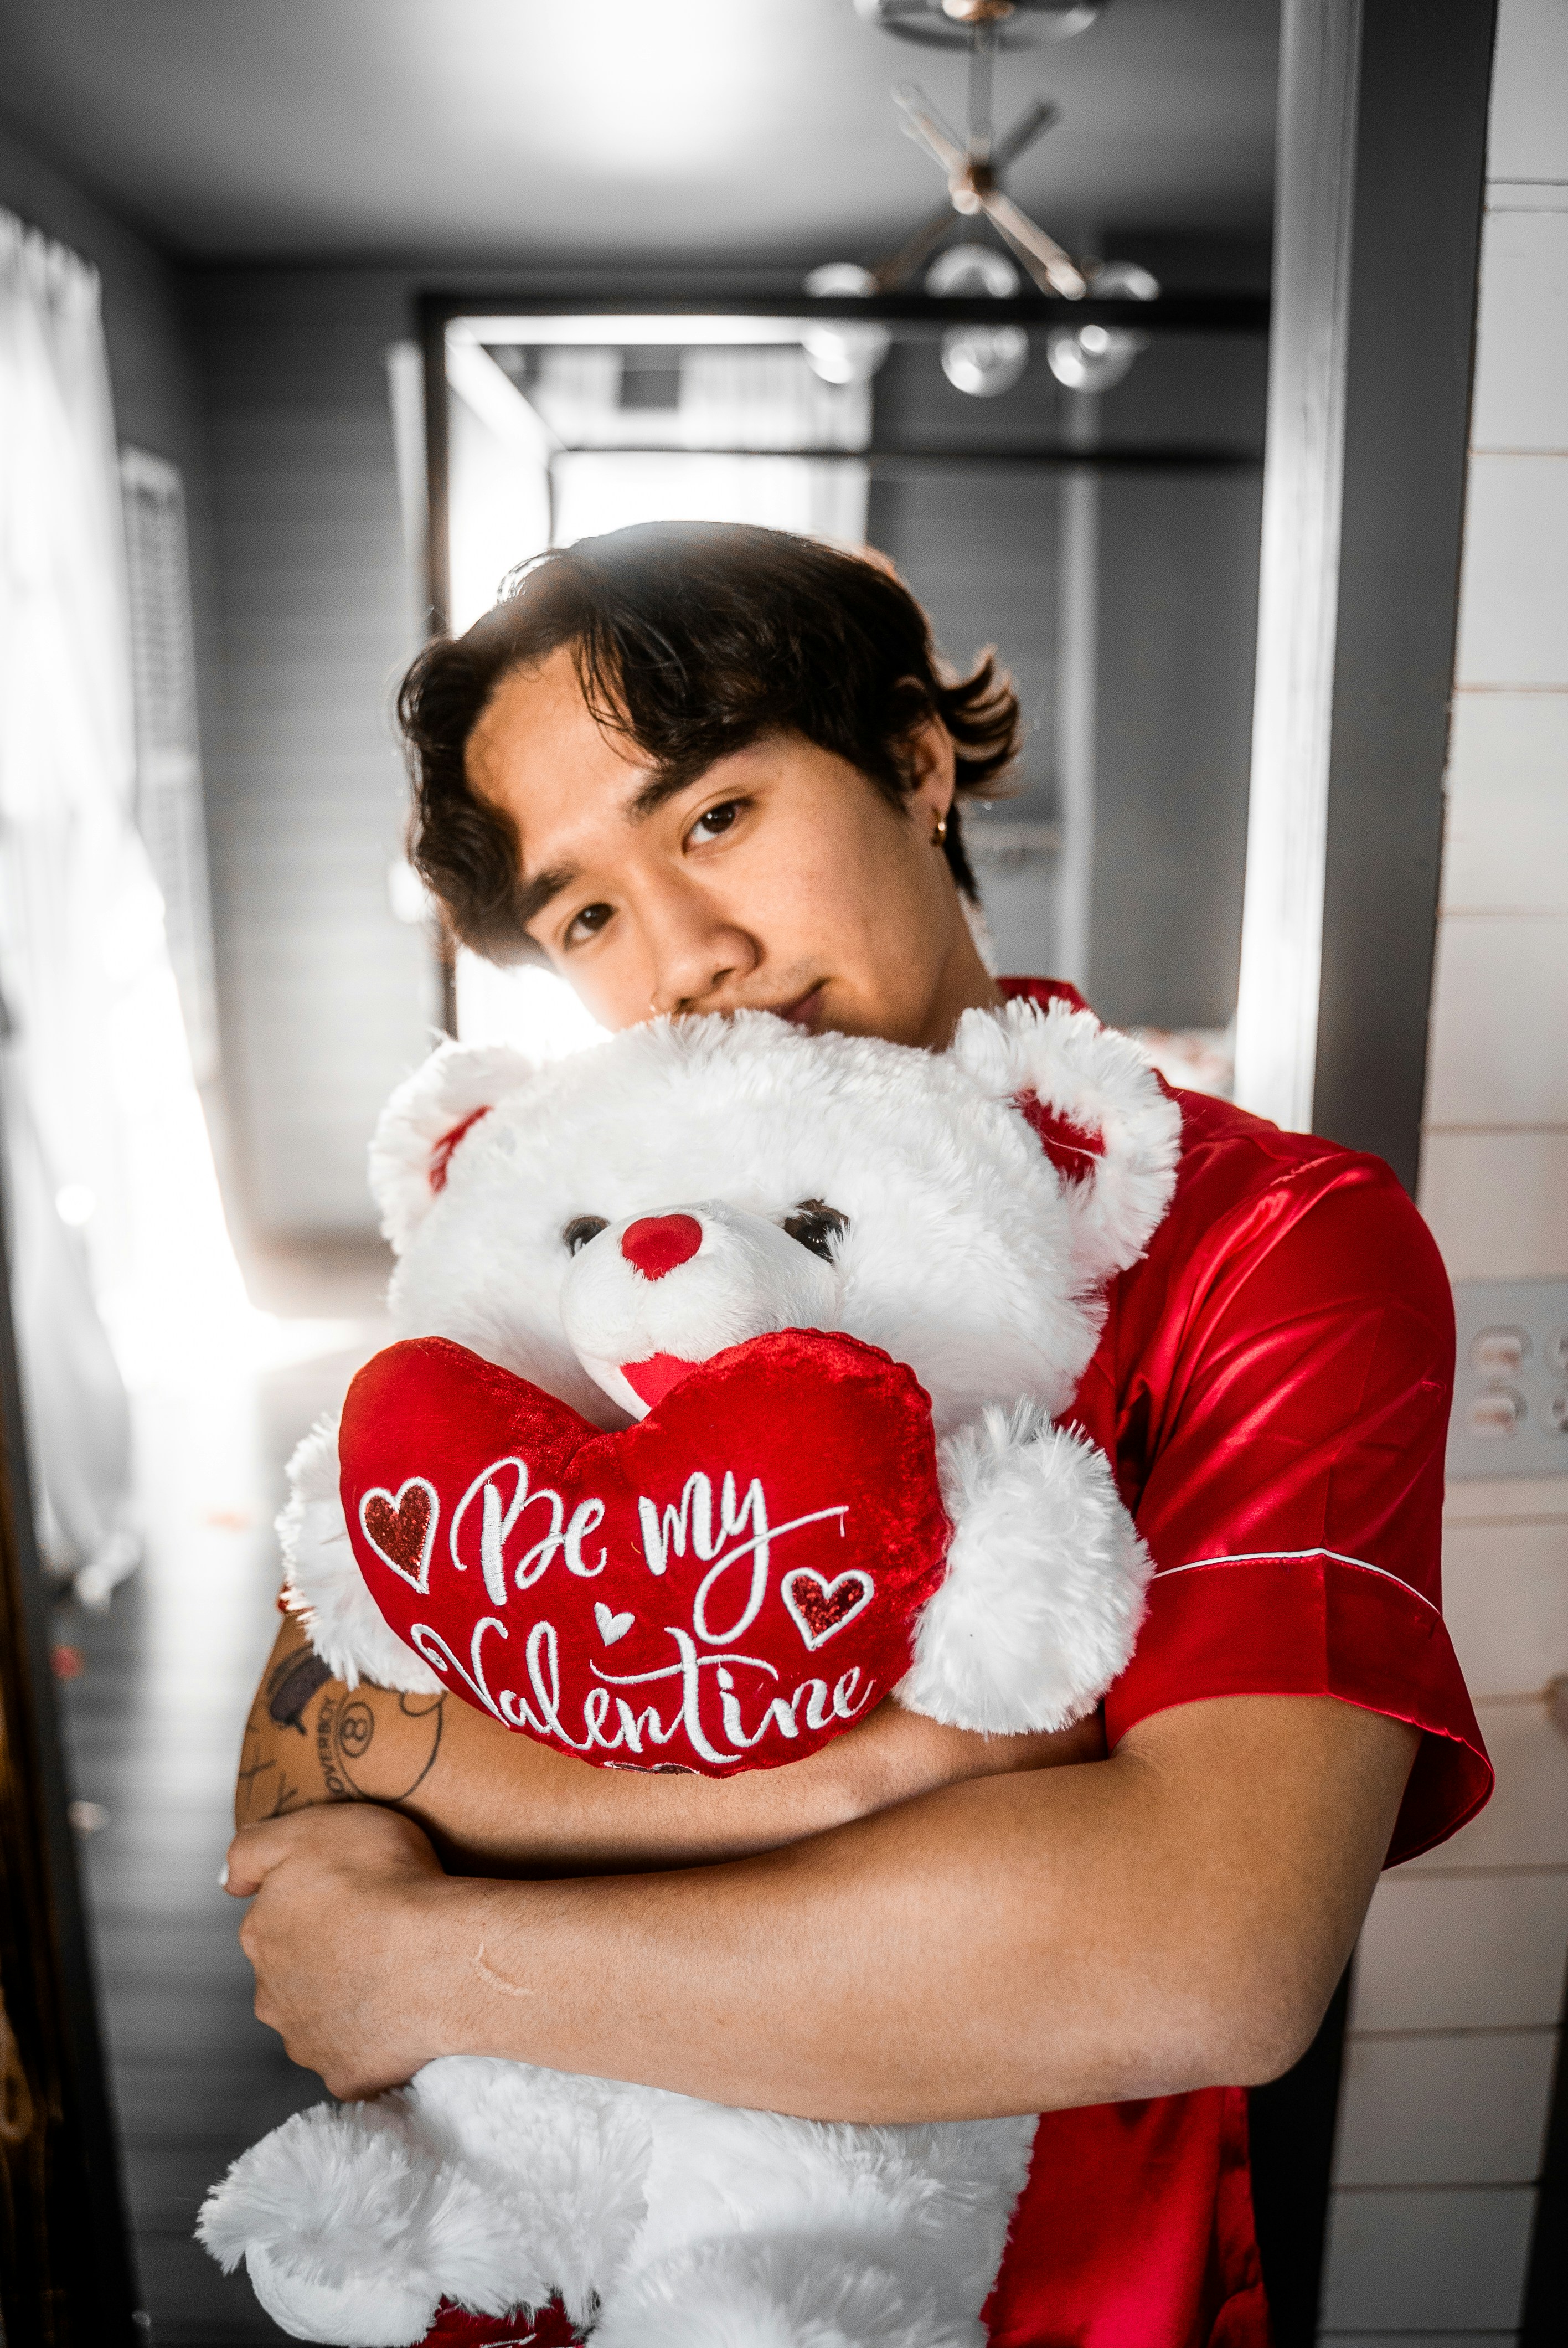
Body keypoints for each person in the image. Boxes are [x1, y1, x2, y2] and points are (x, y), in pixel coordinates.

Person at [228, 523, 1490, 2347]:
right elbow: (302, 1762)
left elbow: (1207, 1950)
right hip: (528, 2265)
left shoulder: (1273, 1244)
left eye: (718, 817)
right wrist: (893, 1778)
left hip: (1052, 2297)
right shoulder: (584, 1221)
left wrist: (435, 1955)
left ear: (913, 759)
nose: (688, 955)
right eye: (587, 915)